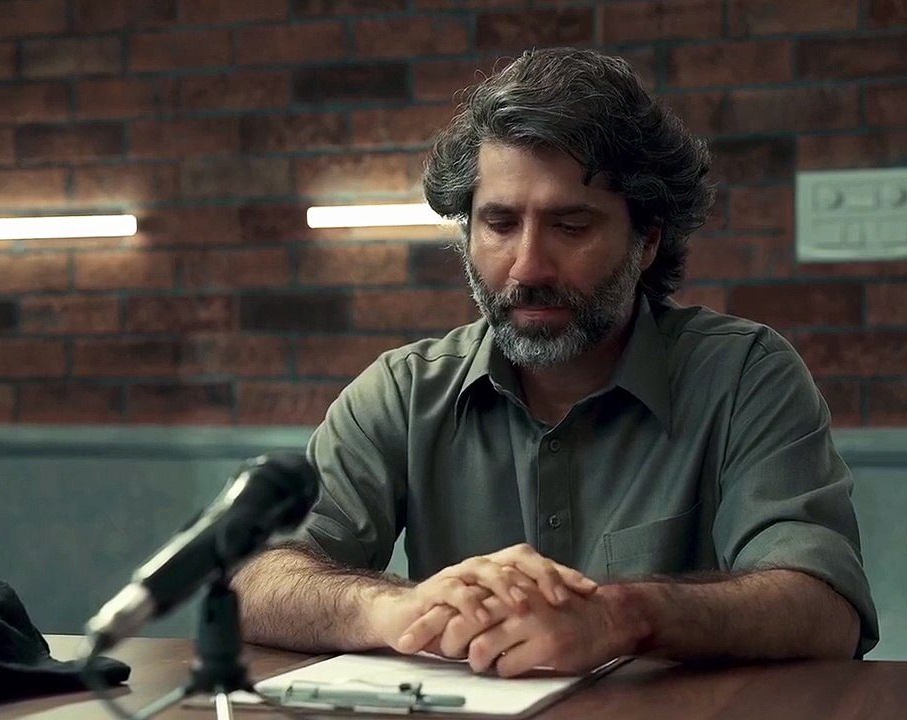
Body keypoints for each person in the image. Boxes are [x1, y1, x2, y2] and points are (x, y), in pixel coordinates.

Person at [233, 47, 878, 677]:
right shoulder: (404, 392)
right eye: (499, 224)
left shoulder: (744, 376)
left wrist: (623, 616)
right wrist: (394, 609)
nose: (527, 268)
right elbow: (251, 580)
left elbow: (825, 607)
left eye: (571, 227)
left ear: (647, 241)